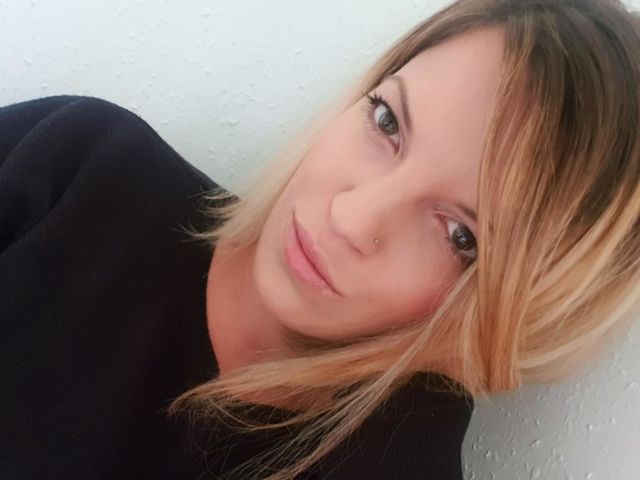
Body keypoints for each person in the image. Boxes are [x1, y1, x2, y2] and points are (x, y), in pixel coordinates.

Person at [1, 0, 639, 478]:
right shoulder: (78, 167)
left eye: (460, 236)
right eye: (387, 121)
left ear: (524, 319)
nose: (353, 218)